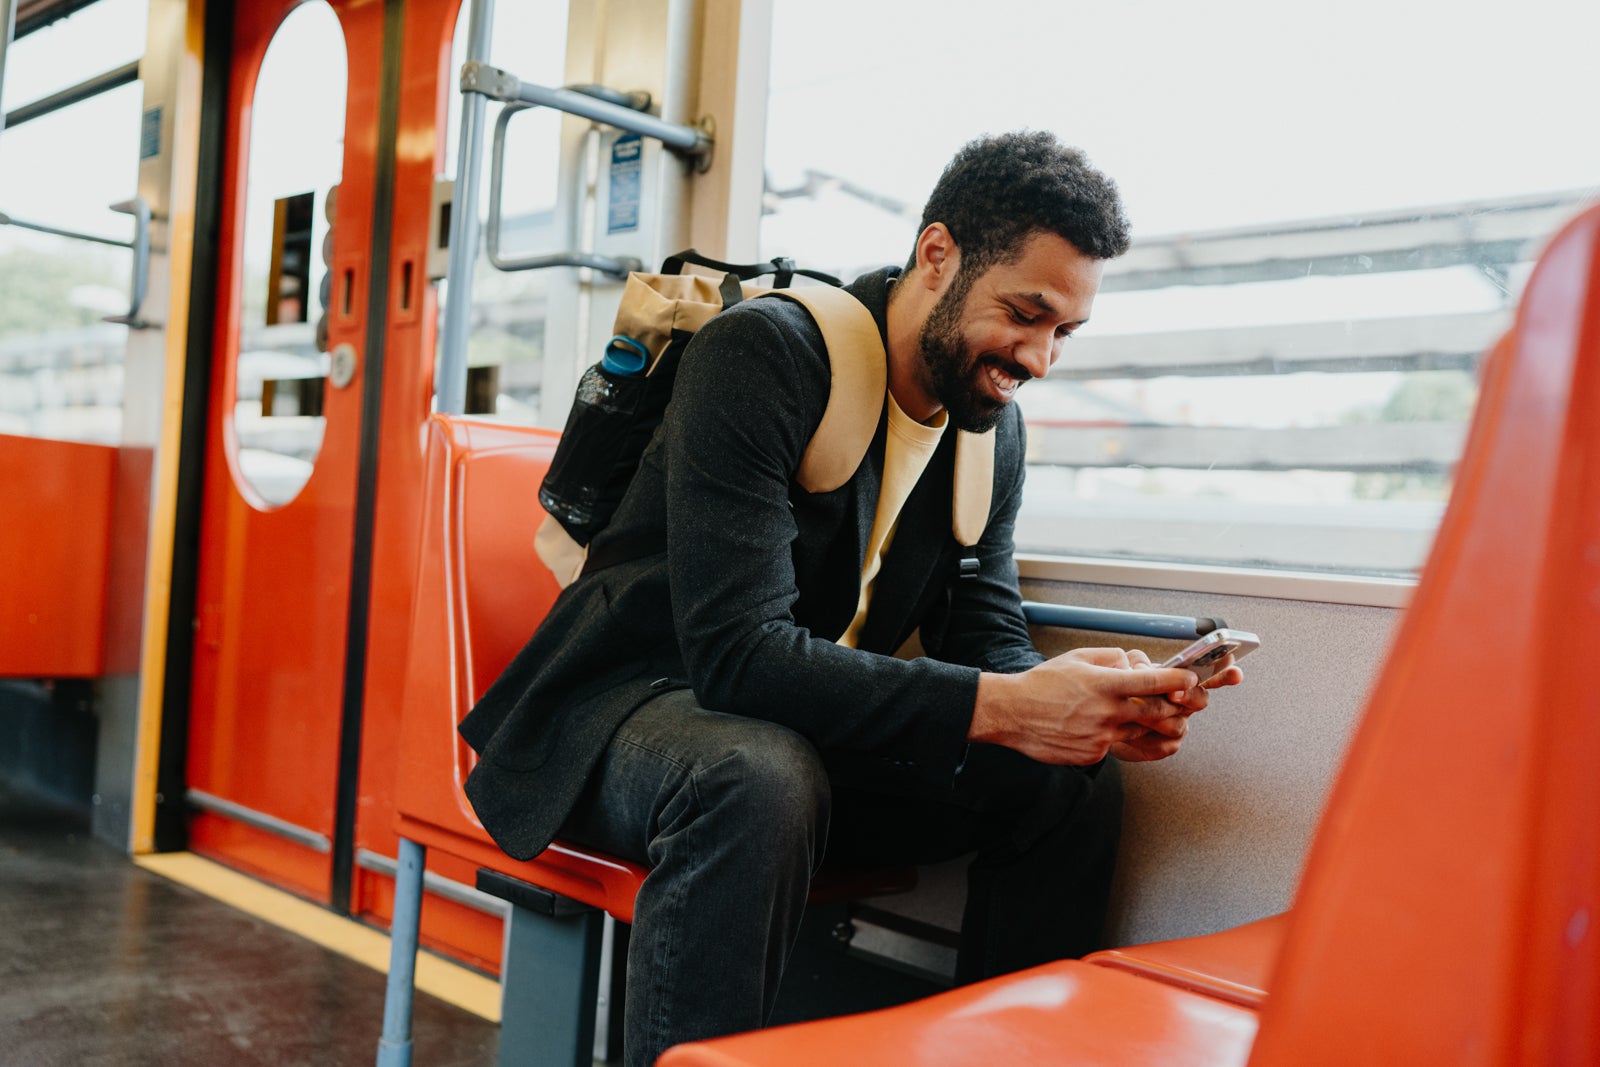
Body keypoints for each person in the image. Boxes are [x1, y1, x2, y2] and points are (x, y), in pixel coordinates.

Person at [459, 130, 1243, 1066]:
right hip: (625, 709)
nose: (1038, 358)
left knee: (1064, 785)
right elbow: (737, 656)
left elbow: (984, 629)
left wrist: (1074, 706)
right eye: (1025, 313)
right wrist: (1007, 707)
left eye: (1063, 333)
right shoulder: (763, 357)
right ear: (938, 254)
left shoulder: (990, 427)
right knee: (755, 774)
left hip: (783, 728)